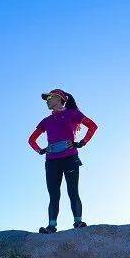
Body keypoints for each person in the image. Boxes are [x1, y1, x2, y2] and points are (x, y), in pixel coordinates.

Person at [28, 88, 98, 234]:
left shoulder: (72, 114)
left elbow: (92, 126)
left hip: (70, 158)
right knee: (54, 195)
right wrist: (40, 150)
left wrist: (82, 142)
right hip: (52, 161)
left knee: (73, 191)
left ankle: (78, 223)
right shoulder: (46, 121)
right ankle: (51, 227)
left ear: (59, 98)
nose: (47, 101)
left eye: (50, 98)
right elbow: (31, 140)